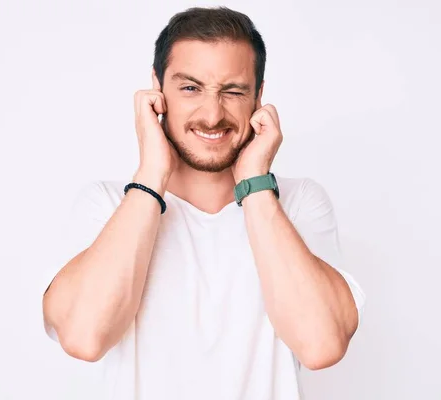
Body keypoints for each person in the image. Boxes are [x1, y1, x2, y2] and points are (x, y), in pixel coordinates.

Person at [41, 6, 365, 400]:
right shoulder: (107, 204)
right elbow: (84, 337)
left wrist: (256, 185)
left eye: (232, 91)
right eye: (190, 88)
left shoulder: (297, 204)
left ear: (258, 98)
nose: (212, 115)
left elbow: (321, 346)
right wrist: (151, 176)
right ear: (157, 91)